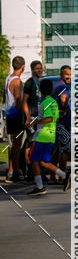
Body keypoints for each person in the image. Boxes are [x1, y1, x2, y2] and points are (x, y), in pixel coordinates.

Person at [27, 79, 70, 196]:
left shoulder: (45, 102)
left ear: (40, 90)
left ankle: (40, 187)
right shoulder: (53, 102)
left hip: (42, 135)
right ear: (51, 90)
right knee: (43, 161)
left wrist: (34, 123)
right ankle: (65, 176)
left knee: (34, 159)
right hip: (51, 135)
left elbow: (50, 118)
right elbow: (55, 118)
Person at [4, 55, 25, 183]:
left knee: (13, 145)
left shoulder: (8, 78)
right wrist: (24, 115)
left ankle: (11, 171)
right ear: (23, 67)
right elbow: (18, 100)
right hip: (16, 115)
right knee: (17, 146)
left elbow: (4, 96)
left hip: (9, 114)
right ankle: (14, 173)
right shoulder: (17, 81)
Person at [22, 60, 43, 181]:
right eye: (37, 69)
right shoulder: (30, 83)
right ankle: (29, 171)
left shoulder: (40, 82)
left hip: (38, 117)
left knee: (36, 143)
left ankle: (35, 171)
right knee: (30, 144)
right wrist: (28, 117)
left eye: (40, 68)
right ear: (32, 70)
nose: (39, 70)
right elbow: (24, 101)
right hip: (31, 117)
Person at [53, 65, 71, 174]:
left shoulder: (56, 85)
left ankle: (53, 177)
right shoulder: (63, 87)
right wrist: (64, 110)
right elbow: (63, 99)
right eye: (66, 74)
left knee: (55, 151)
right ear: (61, 75)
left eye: (70, 74)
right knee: (64, 151)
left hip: (55, 123)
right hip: (62, 123)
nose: (69, 76)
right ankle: (62, 175)